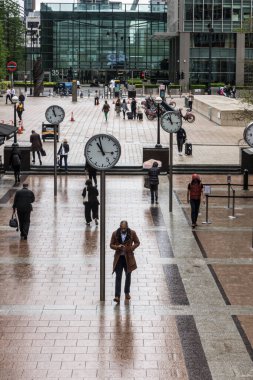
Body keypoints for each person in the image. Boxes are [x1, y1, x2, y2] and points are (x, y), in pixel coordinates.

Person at [110, 220, 140, 303]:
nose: (123, 230)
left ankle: (127, 292)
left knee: (128, 275)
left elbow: (137, 242)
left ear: (127, 227)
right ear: (120, 227)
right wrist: (117, 247)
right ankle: (117, 296)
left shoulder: (132, 233)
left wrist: (131, 248)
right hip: (119, 258)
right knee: (118, 276)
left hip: (128, 258)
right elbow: (111, 245)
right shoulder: (115, 233)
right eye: (122, 228)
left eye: (125, 228)